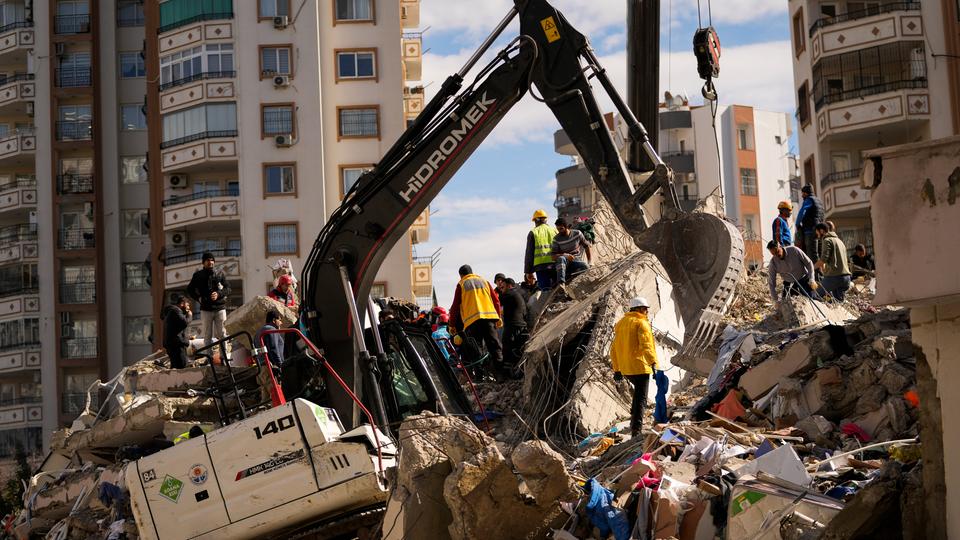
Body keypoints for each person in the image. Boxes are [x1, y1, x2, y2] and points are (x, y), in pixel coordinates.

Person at [610, 297, 658, 436]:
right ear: (637, 309)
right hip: (640, 367)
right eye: (644, 309)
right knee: (641, 398)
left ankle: (633, 423)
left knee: (637, 397)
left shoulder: (621, 323)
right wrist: (653, 364)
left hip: (626, 369)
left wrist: (617, 369)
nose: (646, 312)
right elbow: (646, 347)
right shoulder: (641, 324)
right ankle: (636, 429)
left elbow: (614, 348)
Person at [449, 265, 505, 379]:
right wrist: (498, 317)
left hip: (472, 321)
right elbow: (496, 301)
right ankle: (501, 374)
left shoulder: (462, 284)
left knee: (476, 349)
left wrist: (452, 325)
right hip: (489, 318)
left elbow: (455, 307)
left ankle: (480, 377)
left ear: (461, 275)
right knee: (494, 346)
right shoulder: (484, 281)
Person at [187, 252, 231, 347]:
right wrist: (198, 298)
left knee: (223, 334)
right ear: (203, 262)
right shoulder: (198, 275)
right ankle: (209, 357)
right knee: (207, 335)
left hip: (220, 308)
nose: (210, 262)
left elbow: (228, 288)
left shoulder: (220, 274)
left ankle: (224, 358)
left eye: (212, 260)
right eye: (208, 260)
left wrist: (219, 294)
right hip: (206, 309)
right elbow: (189, 289)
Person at [815, 223, 852, 301]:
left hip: (835, 277)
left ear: (821, 231)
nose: (818, 236)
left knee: (815, 295)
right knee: (837, 302)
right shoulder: (839, 241)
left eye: (817, 233)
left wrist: (811, 268)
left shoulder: (827, 240)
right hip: (846, 278)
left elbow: (823, 260)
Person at [524, 209, 558, 291]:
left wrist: (528, 271)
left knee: (545, 290)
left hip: (541, 267)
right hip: (555, 264)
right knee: (556, 288)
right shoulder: (555, 230)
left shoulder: (533, 232)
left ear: (536, 220)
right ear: (545, 219)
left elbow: (529, 253)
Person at [499, 278, 529, 373]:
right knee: (517, 350)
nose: (501, 288)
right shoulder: (517, 295)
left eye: (502, 286)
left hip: (513, 326)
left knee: (507, 348)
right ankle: (518, 371)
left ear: (509, 286)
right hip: (521, 326)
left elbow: (496, 301)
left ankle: (508, 372)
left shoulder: (509, 294)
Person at [552, 217, 592, 285]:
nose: (559, 231)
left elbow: (586, 246)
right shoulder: (556, 239)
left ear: (566, 226)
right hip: (565, 262)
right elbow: (553, 256)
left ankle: (570, 277)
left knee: (586, 267)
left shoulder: (577, 234)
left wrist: (589, 261)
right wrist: (565, 255)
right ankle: (561, 283)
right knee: (561, 258)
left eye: (561, 228)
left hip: (576, 260)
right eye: (558, 229)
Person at [794, 185, 825, 264]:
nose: (802, 195)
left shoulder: (809, 200)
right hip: (820, 231)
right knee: (818, 252)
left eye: (803, 193)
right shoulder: (819, 201)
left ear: (806, 193)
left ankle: (816, 274)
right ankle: (820, 273)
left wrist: (797, 224)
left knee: (811, 254)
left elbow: (802, 212)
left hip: (810, 231)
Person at [162, 293, 192, 369]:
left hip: (173, 344)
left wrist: (187, 339)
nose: (188, 308)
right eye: (187, 305)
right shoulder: (175, 311)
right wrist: (190, 316)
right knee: (181, 367)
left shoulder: (172, 312)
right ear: (182, 303)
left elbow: (177, 328)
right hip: (176, 345)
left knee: (175, 367)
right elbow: (184, 322)